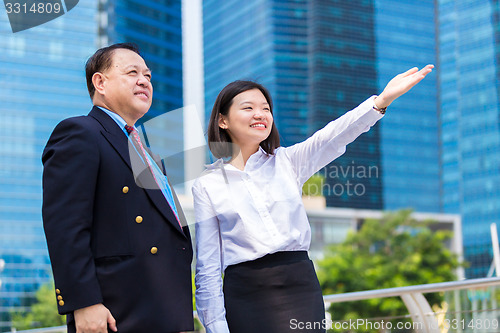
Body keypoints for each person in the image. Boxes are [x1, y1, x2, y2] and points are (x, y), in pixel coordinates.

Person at [193, 65, 434, 333]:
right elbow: (208, 267)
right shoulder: (208, 185)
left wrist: (381, 102)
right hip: (245, 294)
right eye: (248, 108)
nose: (260, 114)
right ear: (222, 120)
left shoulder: (288, 161)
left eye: (266, 108)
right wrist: (215, 326)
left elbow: (332, 136)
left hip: (299, 286)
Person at [42, 43, 194, 333]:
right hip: (117, 313)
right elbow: (66, 225)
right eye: (132, 72)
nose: (144, 81)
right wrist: (83, 302)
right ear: (100, 82)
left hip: (167, 310)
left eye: (148, 76)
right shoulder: (80, 132)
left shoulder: (149, 155)